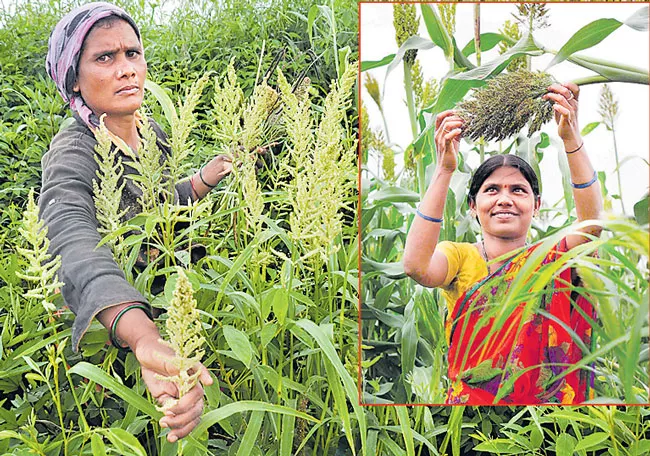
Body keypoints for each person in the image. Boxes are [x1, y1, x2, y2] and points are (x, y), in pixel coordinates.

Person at [40, 2, 231, 441]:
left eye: (132, 53)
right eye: (104, 58)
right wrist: (144, 338)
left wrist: (205, 177)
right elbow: (71, 236)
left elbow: (159, 203)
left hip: (172, 303)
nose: (126, 69)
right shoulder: (73, 152)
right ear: (74, 78)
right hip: (112, 336)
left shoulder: (152, 133)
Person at [403, 82, 603, 405]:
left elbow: (591, 227)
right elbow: (415, 265)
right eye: (492, 189)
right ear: (473, 206)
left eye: (518, 190)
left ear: (536, 205)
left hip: (543, 423)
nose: (505, 199)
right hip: (472, 425)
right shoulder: (460, 256)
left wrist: (571, 137)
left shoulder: (548, 258)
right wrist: (443, 169)